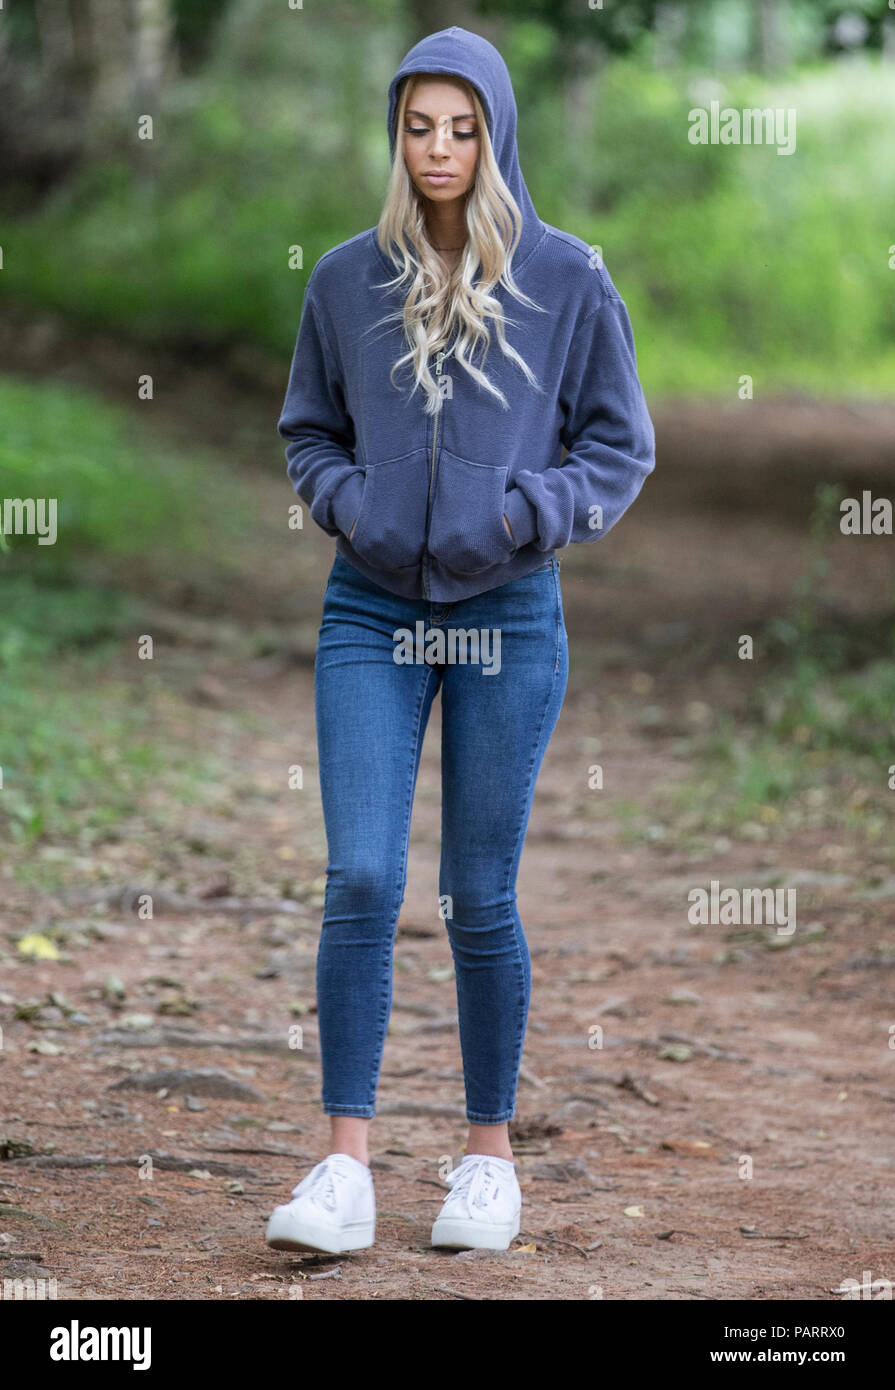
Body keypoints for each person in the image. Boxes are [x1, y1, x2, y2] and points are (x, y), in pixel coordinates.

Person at [265, 25, 655, 1256]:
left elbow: (617, 446)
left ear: (495, 133)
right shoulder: (342, 279)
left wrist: (524, 512)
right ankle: (343, 1170)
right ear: (396, 134)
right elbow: (308, 431)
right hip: (369, 612)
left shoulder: (566, 277)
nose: (438, 149)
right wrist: (350, 504)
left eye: (461, 126)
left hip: (509, 613)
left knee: (476, 892)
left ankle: (487, 1162)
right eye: (418, 126)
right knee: (364, 879)